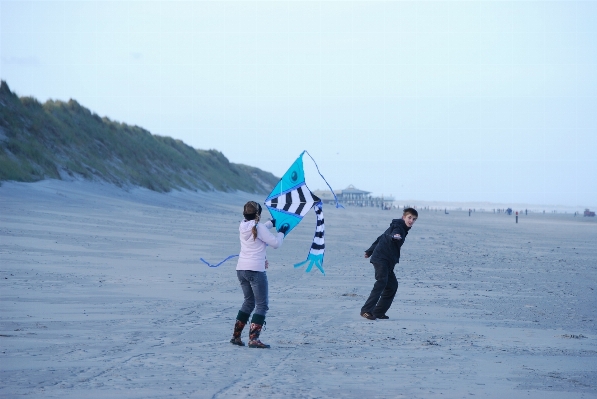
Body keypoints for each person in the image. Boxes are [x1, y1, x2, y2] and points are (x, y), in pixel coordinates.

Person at [230, 201, 288, 348]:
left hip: (241, 269)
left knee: (248, 302)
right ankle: (253, 339)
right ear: (258, 215)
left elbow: (257, 228)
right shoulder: (259, 227)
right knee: (262, 305)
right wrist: (282, 232)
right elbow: (275, 243)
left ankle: (236, 337)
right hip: (255, 270)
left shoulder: (242, 225)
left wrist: (270, 223)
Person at [360, 208, 418, 320]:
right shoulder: (398, 227)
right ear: (403, 217)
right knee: (381, 282)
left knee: (392, 286)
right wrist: (395, 236)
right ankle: (366, 311)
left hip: (388, 261)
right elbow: (395, 234)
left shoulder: (401, 227)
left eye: (414, 219)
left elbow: (381, 238)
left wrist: (369, 251)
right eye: (409, 217)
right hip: (381, 259)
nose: (411, 221)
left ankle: (378, 312)